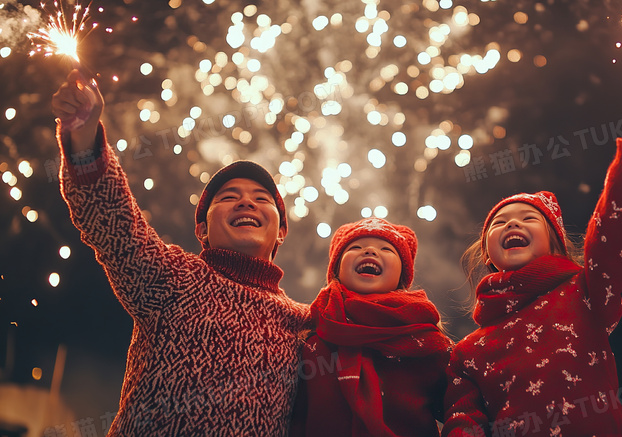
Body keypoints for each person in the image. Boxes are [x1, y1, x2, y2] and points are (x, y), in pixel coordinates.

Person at [51, 69, 309, 436]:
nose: (246, 203)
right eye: (229, 198)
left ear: (281, 231)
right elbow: (111, 220)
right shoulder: (174, 277)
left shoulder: (306, 324)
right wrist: (83, 135)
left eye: (261, 199)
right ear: (202, 229)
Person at [441, 89, 622, 436]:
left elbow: (614, 229)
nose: (512, 224)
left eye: (529, 218)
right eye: (499, 223)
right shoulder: (469, 352)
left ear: (555, 241)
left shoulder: (586, 291)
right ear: (488, 255)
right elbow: (462, 420)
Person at [289, 217, 452, 436]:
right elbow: (295, 419)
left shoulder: (425, 342)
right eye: (355, 247)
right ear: (336, 270)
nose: (369, 251)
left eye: (386, 249)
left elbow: (459, 407)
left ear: (402, 277)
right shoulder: (313, 339)